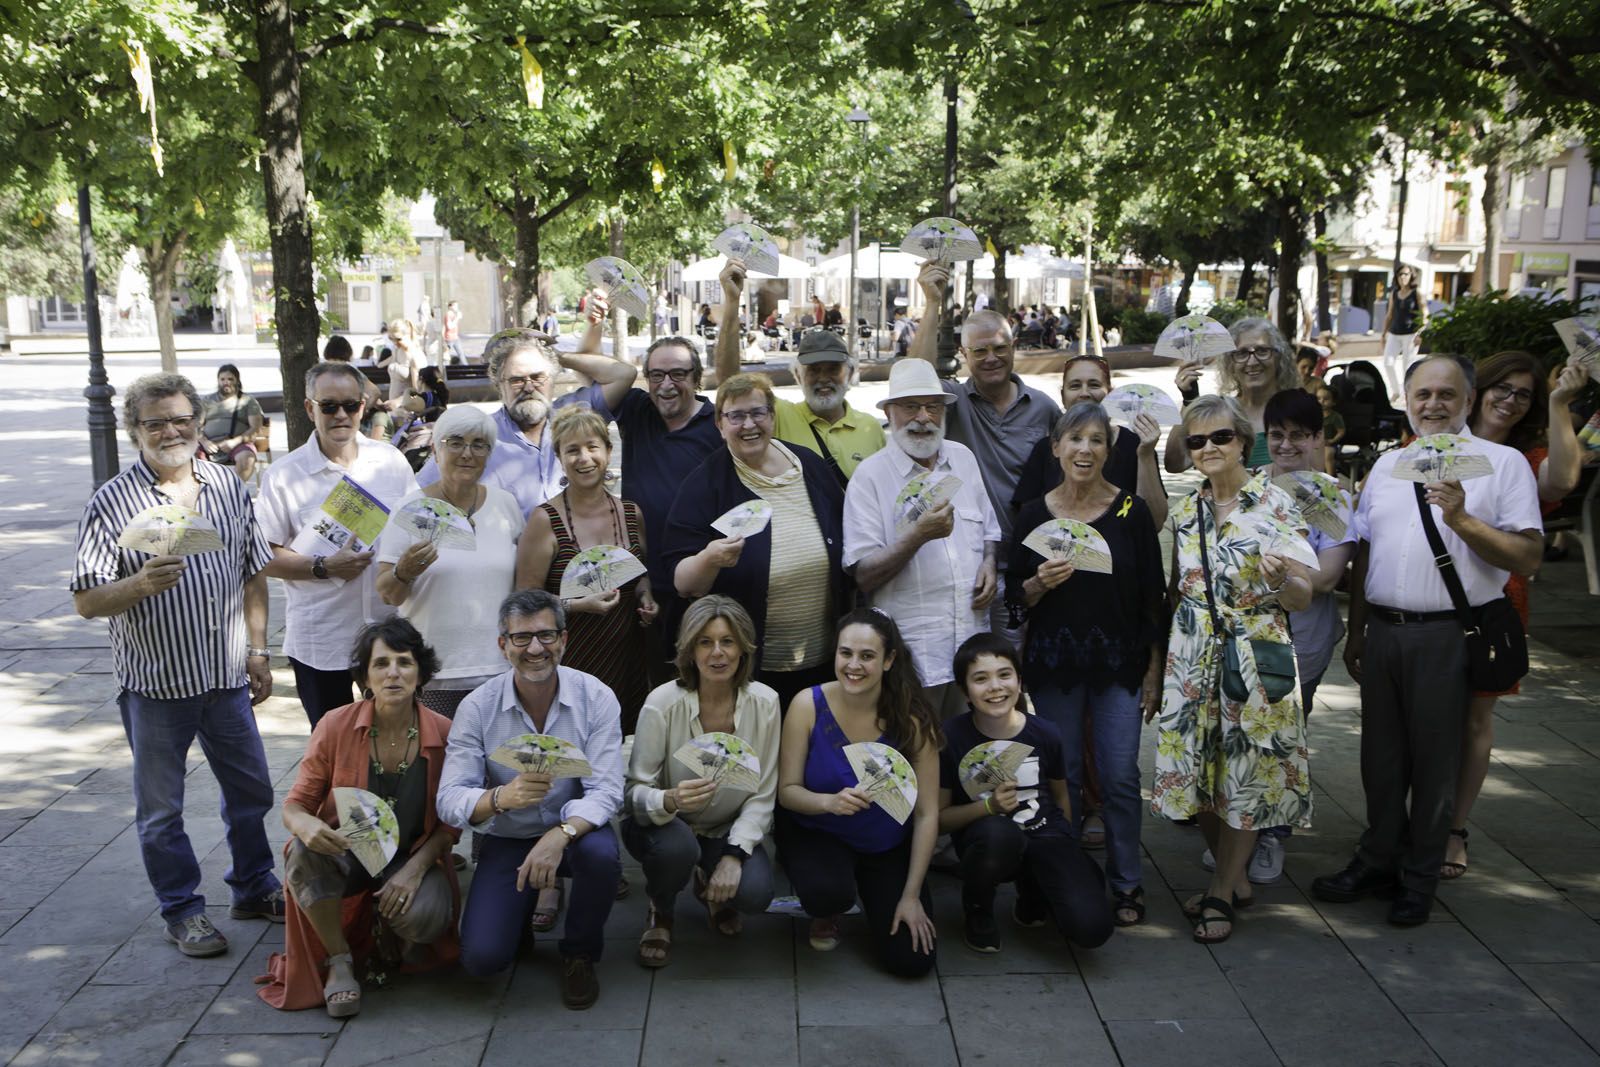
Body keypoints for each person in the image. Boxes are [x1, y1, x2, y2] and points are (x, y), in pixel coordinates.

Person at [1314, 355, 1543, 926]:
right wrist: (1359, 627)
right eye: (1423, 394)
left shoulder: (1502, 463)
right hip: (1387, 631)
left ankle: (1419, 876)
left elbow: (1529, 556)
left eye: (1447, 394)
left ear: (1469, 401)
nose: (1434, 404)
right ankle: (1378, 859)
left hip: (1448, 634)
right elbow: (1365, 551)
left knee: (1436, 762)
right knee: (1381, 759)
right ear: (1407, 400)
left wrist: (1463, 519)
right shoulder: (1388, 466)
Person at [71, 373, 284, 957]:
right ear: (134, 431)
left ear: (199, 421)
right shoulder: (113, 501)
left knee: (252, 792)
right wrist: (136, 584)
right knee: (162, 812)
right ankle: (183, 910)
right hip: (157, 686)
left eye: (181, 419)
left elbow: (253, 571)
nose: (171, 431)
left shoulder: (225, 485)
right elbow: (87, 600)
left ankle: (253, 885)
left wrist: (259, 650)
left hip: (226, 679)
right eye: (155, 422)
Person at [1152, 395, 1315, 943]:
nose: (1209, 449)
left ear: (1244, 440)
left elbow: (1303, 596)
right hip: (1192, 650)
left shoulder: (1276, 505)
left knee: (1248, 773)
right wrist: (1160, 665)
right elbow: (1178, 589)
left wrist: (1277, 581)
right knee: (1196, 772)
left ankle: (1222, 889)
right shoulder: (1186, 510)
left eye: (1220, 437)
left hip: (1254, 647)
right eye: (1196, 441)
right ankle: (1234, 878)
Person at [1006, 401, 1166, 924]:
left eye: (1097, 440)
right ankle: (1069, 878)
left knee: (1120, 775)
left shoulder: (1130, 513)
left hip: (1119, 663)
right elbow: (1013, 601)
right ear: (1055, 448)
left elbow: (1152, 596)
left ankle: (1126, 883)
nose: (1085, 450)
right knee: (1063, 775)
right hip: (1054, 665)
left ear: (1108, 450)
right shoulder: (1033, 513)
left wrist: (1153, 669)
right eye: (1075, 439)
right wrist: (1036, 585)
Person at [259, 619, 460, 1015]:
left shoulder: (445, 733)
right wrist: (307, 825)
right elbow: (295, 804)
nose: (393, 673)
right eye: (381, 663)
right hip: (346, 849)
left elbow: (451, 826)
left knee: (428, 919)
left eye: (404, 662)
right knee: (301, 853)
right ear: (364, 676)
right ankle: (339, 961)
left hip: (408, 854)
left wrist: (415, 870)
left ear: (420, 673)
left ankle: (387, 929)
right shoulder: (335, 726)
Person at [438, 590, 624, 1010]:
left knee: (601, 856)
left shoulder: (596, 698)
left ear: (564, 640)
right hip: (510, 835)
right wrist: (502, 797)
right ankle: (514, 918)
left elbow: (608, 790)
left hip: (576, 833)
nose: (536, 648)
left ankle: (579, 951)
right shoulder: (477, 708)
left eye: (546, 635)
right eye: (521, 638)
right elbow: (449, 798)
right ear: (502, 645)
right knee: (483, 960)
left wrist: (559, 834)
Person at [1441, 351, 1584, 879]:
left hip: (1497, 601)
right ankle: (1415, 818)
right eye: (1503, 387)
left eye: (1524, 394)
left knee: (1476, 718)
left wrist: (1562, 401)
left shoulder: (1526, 456)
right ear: (1478, 390)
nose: (1510, 400)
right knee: (1427, 715)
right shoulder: (1439, 441)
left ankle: (1454, 828)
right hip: (1430, 597)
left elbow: (1564, 479)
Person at [1215, 389, 1355, 884]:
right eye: (1278, 435)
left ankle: (1273, 834)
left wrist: (1281, 564)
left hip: (1304, 640)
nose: (1288, 445)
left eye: (1299, 435)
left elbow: (1329, 577)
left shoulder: (1327, 496)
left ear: (1318, 438)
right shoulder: (1249, 489)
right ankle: (1237, 829)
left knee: (1283, 739)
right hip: (1247, 638)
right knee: (1241, 735)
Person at [660, 373, 849, 709]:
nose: (749, 424)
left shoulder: (809, 464)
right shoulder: (704, 484)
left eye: (758, 413)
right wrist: (710, 559)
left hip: (825, 659)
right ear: (719, 424)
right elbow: (682, 581)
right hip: (750, 667)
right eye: (736, 416)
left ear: (772, 417)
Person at [776, 609, 942, 976]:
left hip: (885, 843)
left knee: (912, 962)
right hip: (818, 831)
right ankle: (829, 907)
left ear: (889, 660)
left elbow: (928, 813)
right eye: (845, 653)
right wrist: (828, 802)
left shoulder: (912, 719)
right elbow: (786, 792)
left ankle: (878, 894)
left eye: (867, 656)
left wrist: (911, 896)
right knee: (826, 891)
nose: (854, 665)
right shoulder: (808, 704)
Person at [257, 362, 419, 726]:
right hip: (321, 640)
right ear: (309, 408)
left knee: (393, 743)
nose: (342, 415)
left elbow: (416, 526)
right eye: (329, 406)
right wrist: (323, 567)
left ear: (364, 405)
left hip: (388, 633)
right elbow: (263, 556)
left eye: (352, 405)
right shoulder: (284, 475)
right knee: (333, 749)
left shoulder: (391, 462)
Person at [623, 597, 779, 966]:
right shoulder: (661, 703)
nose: (717, 653)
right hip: (665, 827)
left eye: (728, 641)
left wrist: (734, 855)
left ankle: (711, 886)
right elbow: (632, 793)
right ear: (689, 650)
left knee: (755, 894)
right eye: (705, 642)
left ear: (744, 648)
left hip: (724, 826)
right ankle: (661, 907)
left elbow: (764, 793)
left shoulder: (766, 703)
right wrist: (670, 800)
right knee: (676, 849)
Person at [909, 261, 1063, 630]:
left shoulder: (1043, 408)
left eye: (999, 347)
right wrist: (932, 304)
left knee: (1014, 668)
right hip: (967, 560)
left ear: (1014, 347)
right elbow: (912, 379)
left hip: (1030, 563)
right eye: (979, 351)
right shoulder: (952, 401)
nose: (991, 357)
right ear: (964, 355)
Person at [937, 632, 1114, 952]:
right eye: (980, 679)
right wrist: (988, 807)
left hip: (1045, 836)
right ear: (965, 691)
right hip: (988, 840)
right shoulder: (951, 736)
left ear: (1019, 681)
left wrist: (1067, 846)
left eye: (1005, 675)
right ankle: (978, 907)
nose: (995, 687)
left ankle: (1033, 894)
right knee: (999, 835)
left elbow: (1061, 796)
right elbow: (940, 820)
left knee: (1092, 929)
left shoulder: (1045, 732)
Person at [843, 358, 1000, 716]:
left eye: (933, 406)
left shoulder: (963, 459)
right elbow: (863, 574)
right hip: (914, 656)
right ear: (890, 413)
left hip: (970, 650)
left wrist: (989, 564)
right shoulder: (871, 478)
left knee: (968, 756)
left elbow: (989, 530)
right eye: (911, 406)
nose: (923, 417)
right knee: (918, 754)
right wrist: (918, 536)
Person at [516, 405, 658, 734]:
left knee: (621, 746)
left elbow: (640, 573)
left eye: (592, 447)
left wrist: (645, 594)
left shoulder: (630, 513)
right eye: (572, 450)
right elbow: (524, 602)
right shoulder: (544, 520)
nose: (584, 458)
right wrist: (579, 605)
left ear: (608, 453)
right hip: (571, 659)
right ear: (560, 459)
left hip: (627, 657)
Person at [375, 405, 524, 718]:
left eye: (479, 444)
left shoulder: (505, 505)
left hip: (499, 670)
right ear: (434, 449)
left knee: (494, 766)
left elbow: (523, 586)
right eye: (455, 442)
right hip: (433, 673)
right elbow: (388, 593)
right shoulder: (411, 509)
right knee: (436, 764)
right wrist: (403, 571)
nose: (467, 453)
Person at [416, 326, 637, 517]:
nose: (529, 387)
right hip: (512, 560)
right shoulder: (476, 435)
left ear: (552, 379)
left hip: (579, 558)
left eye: (538, 376)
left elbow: (624, 374)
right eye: (517, 380)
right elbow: (418, 494)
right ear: (498, 385)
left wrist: (557, 356)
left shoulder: (575, 413)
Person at [575, 310, 722, 575]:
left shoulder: (719, 425)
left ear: (696, 378)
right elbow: (590, 377)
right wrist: (594, 325)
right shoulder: (637, 408)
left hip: (701, 570)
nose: (666, 384)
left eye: (678, 374)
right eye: (656, 375)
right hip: (640, 570)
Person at [716, 261, 885, 481]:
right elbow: (731, 385)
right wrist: (732, 301)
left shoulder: (871, 428)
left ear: (850, 373)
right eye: (814, 370)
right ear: (797, 375)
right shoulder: (779, 416)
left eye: (833, 369)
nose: (823, 378)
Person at [1010, 352, 1168, 528]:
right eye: (1075, 386)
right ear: (1063, 395)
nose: (1084, 393)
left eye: (1094, 385)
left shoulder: (1136, 446)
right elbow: (1027, 520)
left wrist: (1145, 455)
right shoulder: (1045, 449)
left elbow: (1155, 523)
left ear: (1110, 393)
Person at [1166, 317, 1301, 474]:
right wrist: (1190, 399)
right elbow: (1175, 464)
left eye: (1262, 351)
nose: (1252, 362)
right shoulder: (1222, 412)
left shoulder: (1299, 410)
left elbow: (1316, 476)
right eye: (1242, 353)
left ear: (1279, 357)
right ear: (1230, 362)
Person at [198, 363, 264, 483]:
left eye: (230, 379)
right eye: (222, 379)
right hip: (208, 445)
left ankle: (233, 491)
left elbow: (255, 428)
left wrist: (234, 442)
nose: (226, 382)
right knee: (189, 458)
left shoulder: (248, 401)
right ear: (218, 381)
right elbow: (196, 426)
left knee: (246, 459)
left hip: (237, 444)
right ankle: (207, 491)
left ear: (237, 380)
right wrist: (205, 442)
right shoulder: (207, 400)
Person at [322, 336, 392, 440]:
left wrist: (360, 413)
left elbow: (375, 392)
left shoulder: (329, 372)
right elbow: (374, 392)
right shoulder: (349, 370)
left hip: (363, 421)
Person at [1380, 266, 1427, 400]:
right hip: (1394, 333)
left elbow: (1425, 313)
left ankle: (1408, 394)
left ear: (1411, 276)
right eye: (1400, 274)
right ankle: (1396, 391)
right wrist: (1383, 334)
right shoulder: (1394, 293)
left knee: (1407, 367)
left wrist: (1420, 332)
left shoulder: (1416, 292)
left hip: (1411, 334)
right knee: (1388, 363)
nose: (1403, 277)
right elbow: (1389, 314)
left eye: (1406, 274)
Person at [391, 365, 450, 472]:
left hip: (427, 434)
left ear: (421, 380)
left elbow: (406, 403)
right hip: (437, 430)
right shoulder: (438, 396)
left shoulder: (426, 396)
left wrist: (409, 390)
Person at [376, 319, 422, 404]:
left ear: (406, 335)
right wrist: (380, 364)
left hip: (405, 405)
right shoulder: (397, 349)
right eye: (391, 338)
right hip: (394, 403)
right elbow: (389, 360)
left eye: (398, 339)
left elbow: (416, 387)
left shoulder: (412, 352)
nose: (394, 342)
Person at [1317, 386, 1346, 475]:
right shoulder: (1314, 414)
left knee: (1328, 453)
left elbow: (1341, 431)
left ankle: (1330, 478)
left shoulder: (1335, 417)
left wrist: (1332, 441)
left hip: (1329, 444)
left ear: (1333, 402)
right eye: (1318, 398)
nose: (1321, 401)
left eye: (1326, 399)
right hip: (1315, 443)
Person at [443, 299, 464, 364]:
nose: (457, 308)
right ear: (450, 306)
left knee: (461, 354)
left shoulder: (453, 314)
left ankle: (467, 368)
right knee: (446, 354)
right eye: (456, 306)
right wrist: (457, 318)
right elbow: (449, 327)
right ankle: (445, 369)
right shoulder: (448, 314)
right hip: (449, 338)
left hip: (455, 337)